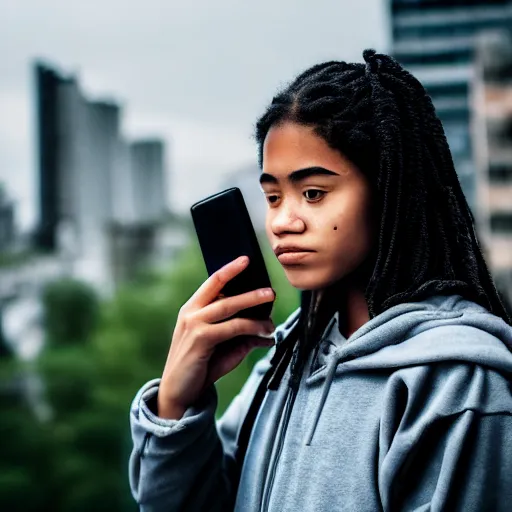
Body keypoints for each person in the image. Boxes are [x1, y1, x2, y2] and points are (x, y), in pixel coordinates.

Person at [128, 49, 512, 511]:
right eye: (272, 196)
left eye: (313, 193)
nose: (282, 222)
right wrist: (175, 404)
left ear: (389, 193)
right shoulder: (288, 359)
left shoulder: (456, 382)